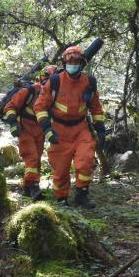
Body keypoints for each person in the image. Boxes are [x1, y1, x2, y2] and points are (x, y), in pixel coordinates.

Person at [34, 47, 105, 208]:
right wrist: (47, 129)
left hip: (81, 128)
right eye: (69, 62)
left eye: (76, 62)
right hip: (60, 130)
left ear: (82, 63)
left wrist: (100, 129)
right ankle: (62, 198)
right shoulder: (55, 81)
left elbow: (96, 107)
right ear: (64, 63)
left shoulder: (89, 82)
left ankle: (82, 194)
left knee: (86, 161)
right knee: (60, 169)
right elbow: (40, 107)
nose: (72, 65)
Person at [3, 65, 58, 200]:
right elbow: (10, 106)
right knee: (31, 156)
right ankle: (34, 186)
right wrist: (13, 123)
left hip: (41, 129)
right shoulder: (30, 91)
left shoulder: (55, 94)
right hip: (25, 128)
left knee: (36, 159)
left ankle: (27, 187)